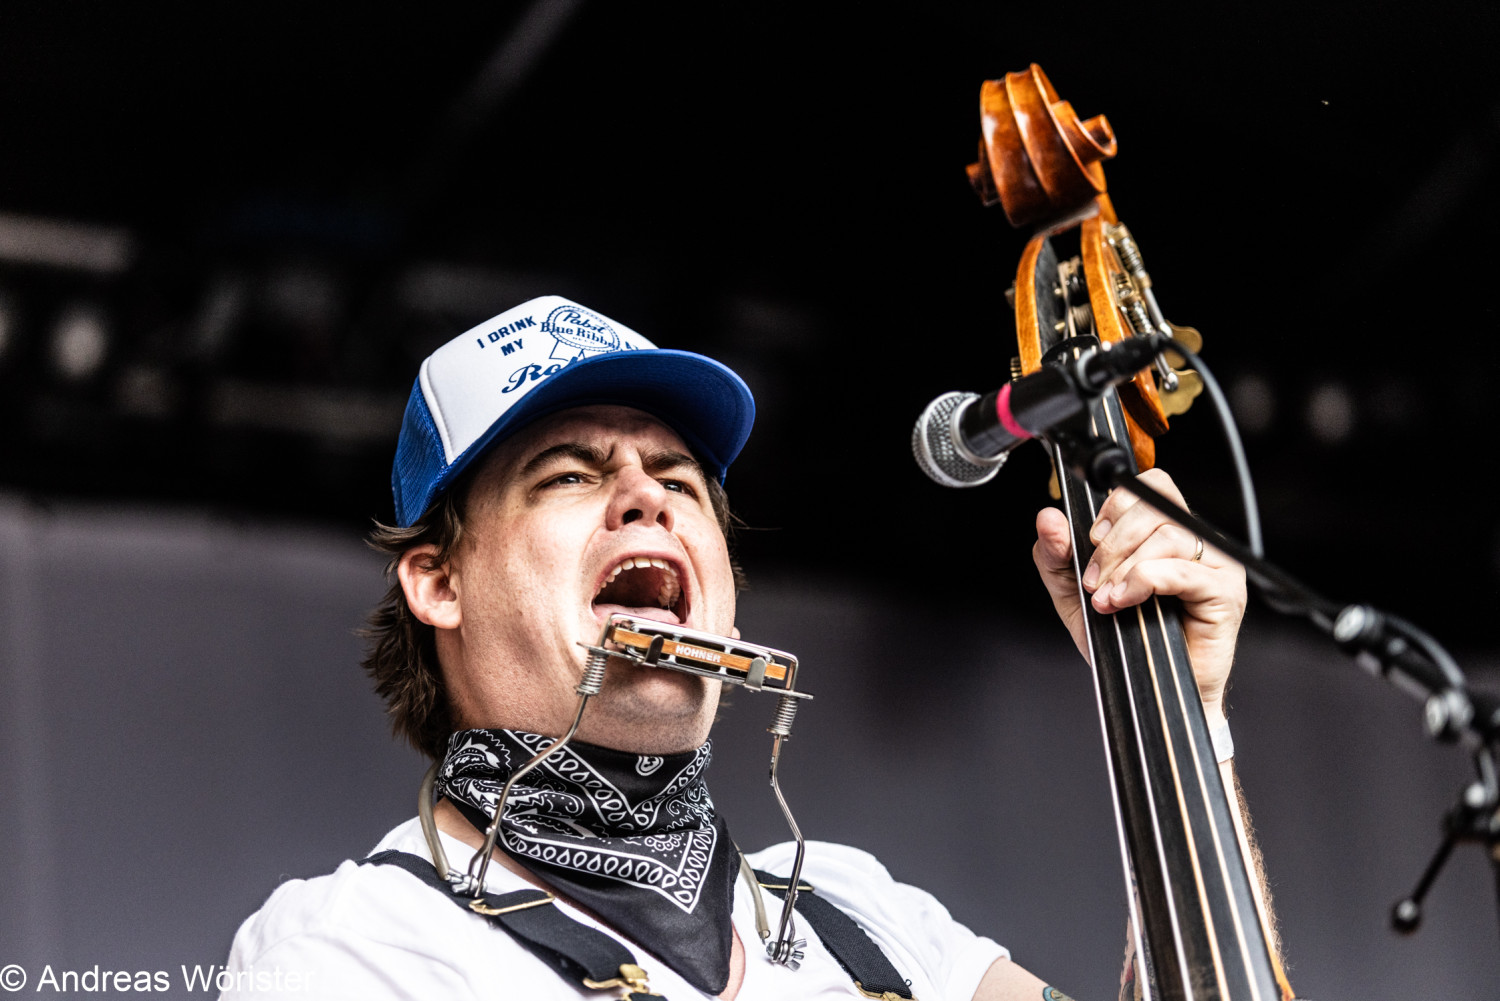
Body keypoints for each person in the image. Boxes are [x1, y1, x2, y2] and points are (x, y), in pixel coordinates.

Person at [220, 295, 1264, 1001]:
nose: (645, 496)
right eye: (572, 475)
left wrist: (1191, 719)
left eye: (679, 482)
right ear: (439, 581)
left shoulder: (861, 916)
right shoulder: (353, 946)